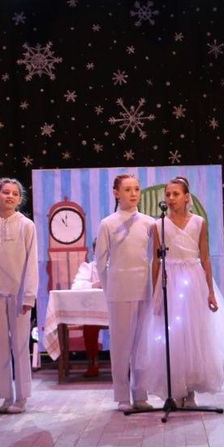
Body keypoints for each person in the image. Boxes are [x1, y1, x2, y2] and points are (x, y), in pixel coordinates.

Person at [136, 176, 224, 406]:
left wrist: (210, 291)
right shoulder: (159, 225)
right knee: (174, 336)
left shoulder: (198, 222)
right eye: (168, 194)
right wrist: (156, 291)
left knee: (194, 334)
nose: (171, 198)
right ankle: (176, 389)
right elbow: (156, 261)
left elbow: (205, 258)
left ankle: (190, 391)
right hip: (170, 280)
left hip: (193, 280)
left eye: (176, 194)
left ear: (187, 197)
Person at [0, 178, 38, 414]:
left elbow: (31, 262)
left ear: (19, 199)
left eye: (14, 193)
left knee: (20, 346)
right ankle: (5, 396)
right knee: (0, 346)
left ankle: (21, 397)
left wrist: (29, 296)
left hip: (19, 294)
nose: (10, 196)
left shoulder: (26, 226)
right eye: (6, 192)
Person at [95, 174, 156, 411]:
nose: (133, 194)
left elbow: (153, 258)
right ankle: (122, 396)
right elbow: (101, 262)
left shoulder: (149, 223)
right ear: (116, 193)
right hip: (119, 291)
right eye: (128, 189)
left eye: (136, 189)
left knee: (142, 345)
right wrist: (110, 287)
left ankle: (140, 394)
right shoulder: (108, 223)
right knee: (121, 345)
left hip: (144, 289)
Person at [69, 246, 104, 379]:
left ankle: (124, 364)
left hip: (116, 310)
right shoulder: (88, 268)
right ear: (94, 251)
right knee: (90, 324)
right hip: (94, 311)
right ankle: (93, 364)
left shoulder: (117, 265)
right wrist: (94, 285)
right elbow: (76, 287)